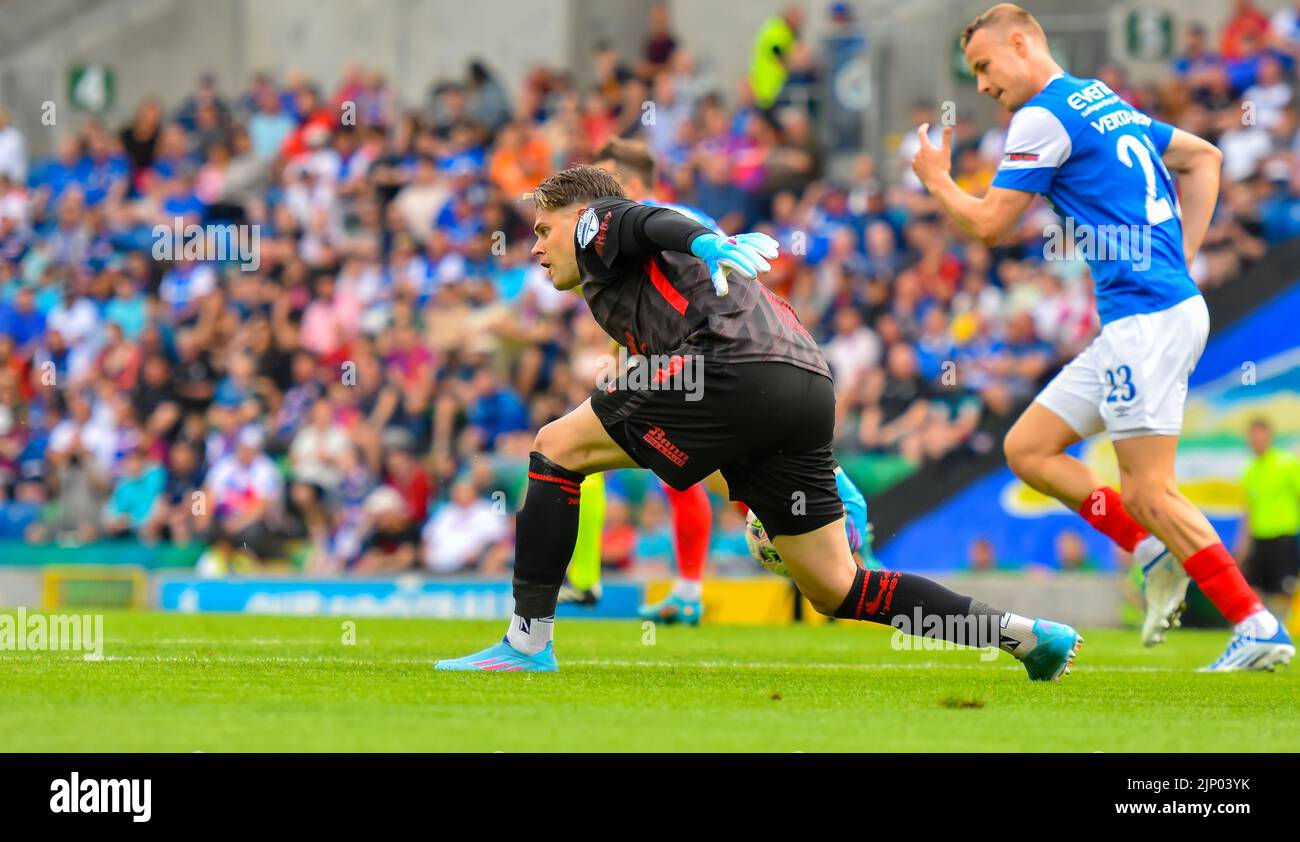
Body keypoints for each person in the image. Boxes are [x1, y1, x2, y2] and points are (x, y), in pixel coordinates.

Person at [436, 164, 1081, 680]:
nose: (536, 249)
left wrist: (701, 238)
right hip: (804, 383)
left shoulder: (601, 221)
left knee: (554, 448)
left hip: (730, 367)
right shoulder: (640, 281)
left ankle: (526, 643)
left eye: (543, 231)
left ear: (576, 218)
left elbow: (644, 218)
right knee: (837, 587)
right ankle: (1022, 636)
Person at [912, 3, 1291, 670]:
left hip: (1145, 319)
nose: (981, 85)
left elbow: (991, 225)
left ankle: (1255, 623)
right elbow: (1202, 159)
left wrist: (939, 181)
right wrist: (1182, 260)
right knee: (1029, 448)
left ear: (1023, 42)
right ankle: (1151, 551)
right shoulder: (1100, 101)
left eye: (983, 66)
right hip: (1151, 312)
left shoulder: (1042, 117)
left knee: (1149, 491)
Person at [1235, 418, 1300, 617]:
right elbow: (1249, 511)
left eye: (1260, 436)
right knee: (1254, 588)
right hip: (1258, 540)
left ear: (1269, 437)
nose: (1256, 441)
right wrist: (1243, 547)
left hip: (1284, 538)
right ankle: (1263, 630)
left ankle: (1281, 629)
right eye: (1252, 437)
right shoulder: (1250, 471)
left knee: (1283, 591)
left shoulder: (1287, 464)